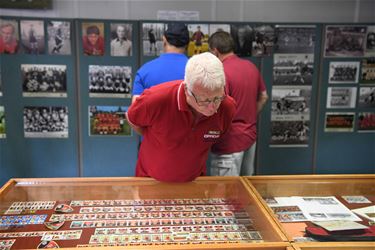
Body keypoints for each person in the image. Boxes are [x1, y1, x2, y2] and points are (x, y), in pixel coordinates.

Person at [127, 52, 236, 182]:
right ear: (186, 89)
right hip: (150, 180)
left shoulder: (227, 107)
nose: (212, 107)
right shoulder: (156, 99)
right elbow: (132, 118)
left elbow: (218, 135)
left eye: (217, 98)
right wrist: (153, 136)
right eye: (204, 100)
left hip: (194, 182)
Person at [208, 31, 268, 176]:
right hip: (249, 139)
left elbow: (218, 109)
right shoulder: (250, 67)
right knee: (245, 190)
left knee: (222, 195)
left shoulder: (221, 72)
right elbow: (264, 96)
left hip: (228, 143)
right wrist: (248, 116)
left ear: (215, 51)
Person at [132, 22, 190, 103]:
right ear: (188, 43)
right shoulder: (197, 71)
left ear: (164, 40)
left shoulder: (144, 71)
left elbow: (136, 112)